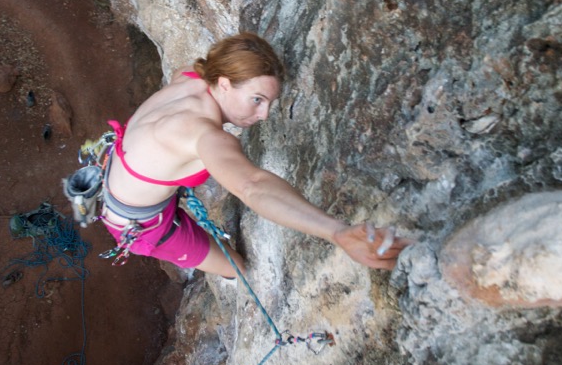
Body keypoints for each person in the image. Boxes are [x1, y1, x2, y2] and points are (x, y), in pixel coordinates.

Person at [100, 32, 409, 277]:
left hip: (122, 174)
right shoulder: (205, 136)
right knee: (238, 266)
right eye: (257, 100)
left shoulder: (191, 76)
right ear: (223, 84)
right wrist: (338, 232)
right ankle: (224, 273)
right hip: (139, 225)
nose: (264, 115)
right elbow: (252, 185)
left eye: (269, 103)